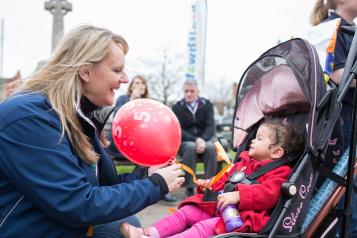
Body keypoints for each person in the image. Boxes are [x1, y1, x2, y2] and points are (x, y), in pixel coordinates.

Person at [0, 25, 185, 238]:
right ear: (85, 72)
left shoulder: (79, 117)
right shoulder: (28, 117)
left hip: (61, 226)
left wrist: (146, 176)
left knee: (124, 223)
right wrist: (156, 185)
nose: (125, 79)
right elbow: (76, 203)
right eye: (116, 70)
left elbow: (105, 186)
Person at [120, 120, 304, 237]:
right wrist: (208, 185)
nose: (253, 141)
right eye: (254, 137)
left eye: (260, 139)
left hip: (241, 218)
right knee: (187, 212)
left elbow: (269, 194)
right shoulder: (243, 162)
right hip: (219, 207)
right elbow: (225, 181)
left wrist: (240, 196)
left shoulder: (280, 172)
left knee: (204, 227)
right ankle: (148, 233)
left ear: (276, 152)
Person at [310, 1, 357, 236]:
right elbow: (338, 73)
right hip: (343, 122)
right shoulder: (334, 27)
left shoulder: (348, 29)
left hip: (349, 119)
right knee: (347, 188)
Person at [107, 75, 178, 202]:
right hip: (122, 145)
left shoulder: (150, 103)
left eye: (142, 83)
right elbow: (118, 117)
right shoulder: (123, 99)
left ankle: (162, 186)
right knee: (145, 158)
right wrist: (133, 99)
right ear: (131, 86)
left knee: (158, 155)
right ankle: (148, 187)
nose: (139, 86)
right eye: (136, 83)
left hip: (139, 146)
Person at [172, 79, 217, 197]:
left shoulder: (206, 105)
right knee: (191, 147)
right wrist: (195, 140)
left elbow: (210, 126)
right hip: (186, 142)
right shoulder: (177, 107)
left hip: (204, 140)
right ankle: (190, 187)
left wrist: (202, 139)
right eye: (186, 91)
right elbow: (178, 129)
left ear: (198, 91)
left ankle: (209, 185)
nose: (189, 94)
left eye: (192, 91)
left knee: (211, 147)